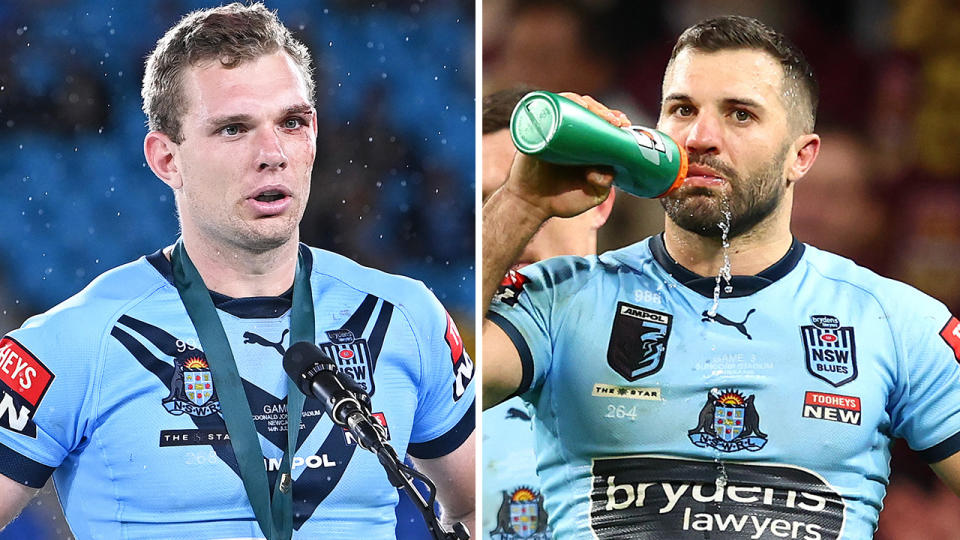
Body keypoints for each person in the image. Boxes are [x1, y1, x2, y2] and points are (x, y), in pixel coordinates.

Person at [0, 4, 475, 539]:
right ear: (166, 159)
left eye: (291, 122)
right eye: (233, 128)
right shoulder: (75, 341)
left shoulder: (406, 318)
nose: (272, 153)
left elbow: (487, 505)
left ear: (313, 136)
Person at [482, 15, 960, 540]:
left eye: (740, 115)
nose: (701, 137)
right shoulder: (561, 299)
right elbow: (444, 387)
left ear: (801, 157)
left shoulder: (896, 321)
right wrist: (520, 202)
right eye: (682, 110)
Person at [480, 88, 614, 540]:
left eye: (537, 192)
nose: (515, 222)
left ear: (602, 199)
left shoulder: (672, 339)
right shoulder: (431, 379)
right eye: (488, 205)